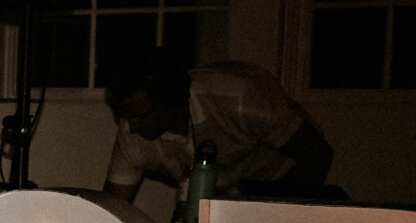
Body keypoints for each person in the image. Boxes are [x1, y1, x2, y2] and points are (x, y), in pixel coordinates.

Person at [102, 50, 333, 203]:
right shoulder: (131, 133)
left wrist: (287, 207)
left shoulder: (240, 98)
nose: (132, 126)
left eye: (142, 116)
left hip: (282, 182)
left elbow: (316, 152)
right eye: (126, 117)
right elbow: (115, 207)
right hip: (220, 199)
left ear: (172, 100)